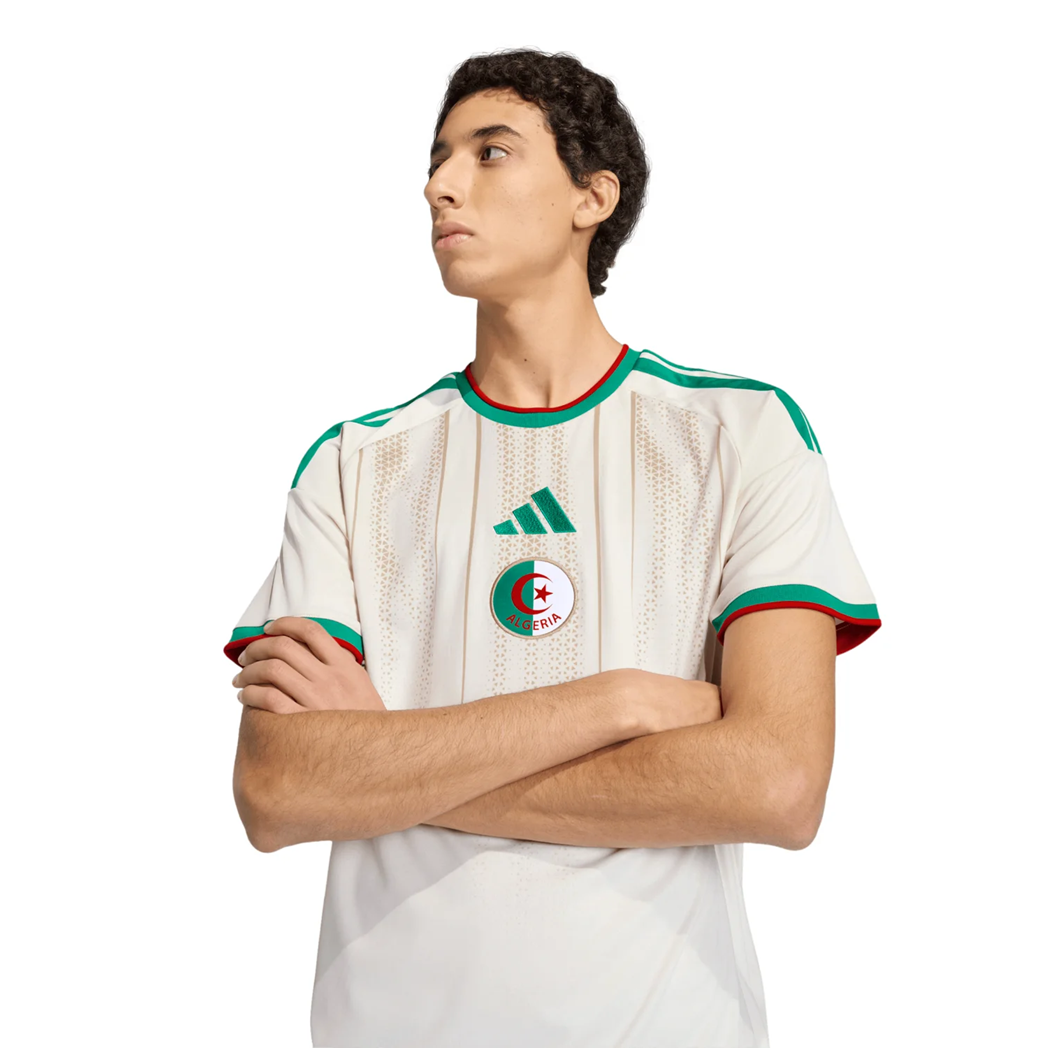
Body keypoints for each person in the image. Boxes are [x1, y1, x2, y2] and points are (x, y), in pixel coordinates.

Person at [223, 47, 882, 1048]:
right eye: (437, 160)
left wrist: (390, 758)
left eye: (490, 152)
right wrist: (618, 703)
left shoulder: (741, 435)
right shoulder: (354, 463)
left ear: (592, 196)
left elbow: (777, 786)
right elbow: (279, 792)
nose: (441, 185)